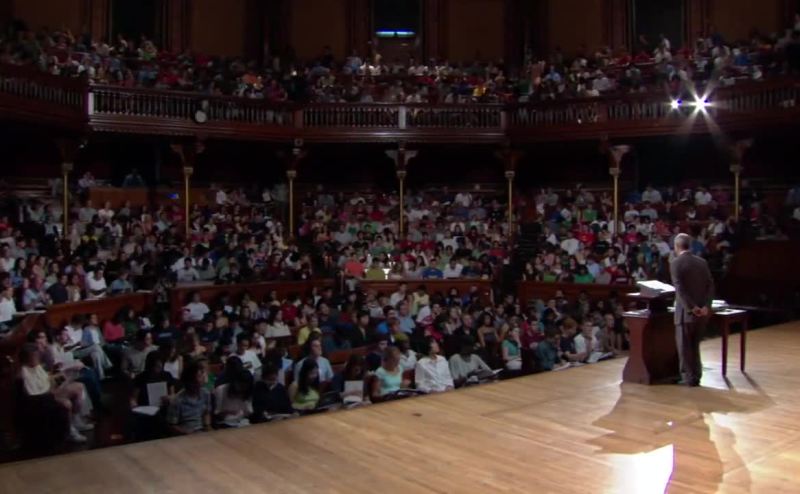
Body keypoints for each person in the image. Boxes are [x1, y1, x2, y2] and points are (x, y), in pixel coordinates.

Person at [18, 343, 93, 443]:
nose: (38, 357)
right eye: (35, 356)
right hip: (43, 398)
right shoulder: (24, 372)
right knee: (66, 403)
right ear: (27, 358)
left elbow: (47, 380)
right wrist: (53, 389)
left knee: (79, 386)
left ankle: (76, 421)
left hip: (50, 390)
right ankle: (70, 431)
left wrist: (60, 376)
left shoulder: (36, 366)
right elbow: (34, 393)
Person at [670, 233, 714, 387]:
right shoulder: (702, 262)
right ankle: (697, 375)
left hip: (686, 313)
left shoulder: (676, 263)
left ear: (677, 246)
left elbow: (680, 289)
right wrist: (706, 306)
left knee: (684, 347)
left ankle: (688, 377)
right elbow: (710, 285)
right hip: (702, 313)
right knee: (695, 345)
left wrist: (692, 307)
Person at [166, 361, 211, 435]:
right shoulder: (178, 400)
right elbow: (171, 425)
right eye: (198, 377)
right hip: (185, 434)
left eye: (201, 376)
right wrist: (186, 432)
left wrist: (207, 426)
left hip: (202, 432)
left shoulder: (205, 394)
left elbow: (206, 413)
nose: (201, 380)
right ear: (189, 381)